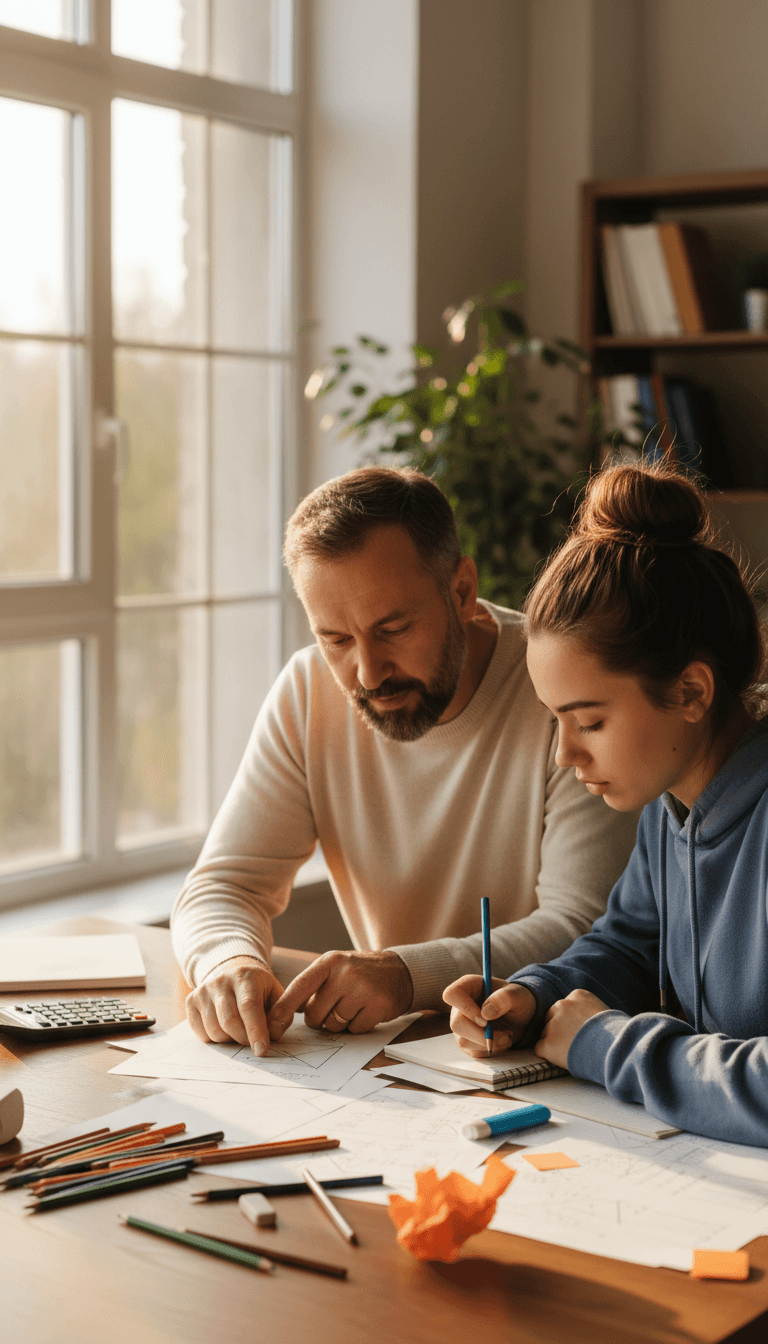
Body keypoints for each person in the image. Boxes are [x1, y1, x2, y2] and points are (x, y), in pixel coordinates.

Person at [172, 466, 639, 1058]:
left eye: (393, 629)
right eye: (336, 640)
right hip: (390, 1059)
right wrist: (227, 960)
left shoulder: (559, 688)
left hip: (540, 1051)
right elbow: (222, 886)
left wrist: (404, 975)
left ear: (462, 591)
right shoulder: (308, 692)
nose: (367, 673)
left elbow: (585, 926)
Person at [444, 460, 768, 1146]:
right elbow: (626, 944)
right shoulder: (671, 802)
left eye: (589, 721)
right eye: (554, 720)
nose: (565, 754)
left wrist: (603, 1044)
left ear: (690, 693)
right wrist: (531, 997)